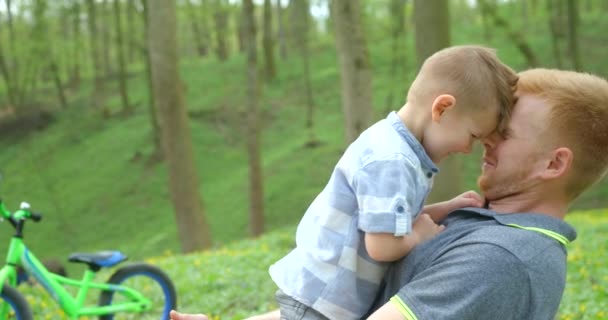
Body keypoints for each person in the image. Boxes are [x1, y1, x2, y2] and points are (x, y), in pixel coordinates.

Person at [171, 68, 608, 320]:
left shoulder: (503, 259)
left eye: (504, 133)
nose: (485, 141)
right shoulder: (481, 222)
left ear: (554, 164)